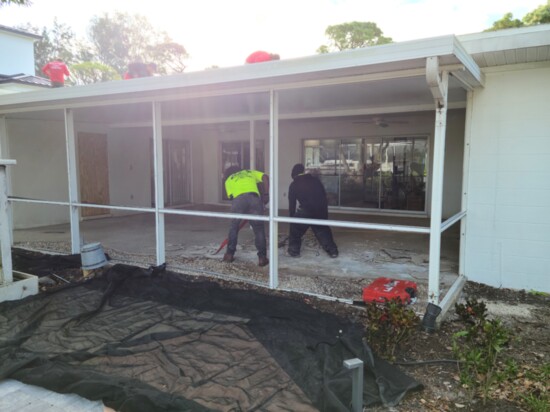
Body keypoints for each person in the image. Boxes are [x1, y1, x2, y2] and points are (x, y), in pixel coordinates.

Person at [287, 163, 338, 258]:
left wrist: (292, 219)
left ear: (294, 174)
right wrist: (324, 215)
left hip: (306, 210)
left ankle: (294, 251)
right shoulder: (315, 180)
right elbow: (324, 197)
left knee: (295, 228)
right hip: (321, 209)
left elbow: (292, 204)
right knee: (323, 230)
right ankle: (333, 251)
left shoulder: (294, 185)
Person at [223, 166, 270, 266]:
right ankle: (262, 258)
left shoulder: (228, 180)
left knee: (234, 227)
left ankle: (229, 255)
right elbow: (265, 177)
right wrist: (266, 195)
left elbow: (231, 197)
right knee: (258, 229)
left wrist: (241, 209)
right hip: (254, 198)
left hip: (238, 200)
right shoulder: (249, 172)